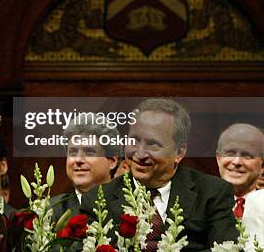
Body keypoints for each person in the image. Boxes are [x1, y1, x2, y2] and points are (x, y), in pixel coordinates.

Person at [80, 98, 238, 251]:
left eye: (152, 144)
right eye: (134, 140)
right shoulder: (97, 201)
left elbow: (227, 249)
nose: (140, 154)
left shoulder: (212, 193)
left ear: (179, 152)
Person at [51, 122, 119, 221]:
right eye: (73, 153)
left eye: (89, 152)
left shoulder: (131, 206)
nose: (78, 160)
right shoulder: (49, 212)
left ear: (112, 161)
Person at [216, 123, 264, 250]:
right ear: (218, 158)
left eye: (247, 155)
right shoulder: (195, 203)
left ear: (262, 165)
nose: (236, 162)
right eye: (230, 153)